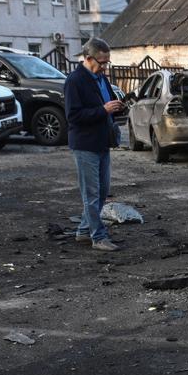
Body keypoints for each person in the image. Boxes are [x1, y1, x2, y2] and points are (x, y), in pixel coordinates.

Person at [65, 38, 126, 251]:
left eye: (107, 62)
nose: (105, 67)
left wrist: (116, 107)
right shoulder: (75, 81)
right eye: (102, 62)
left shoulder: (101, 78)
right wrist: (103, 110)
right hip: (85, 144)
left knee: (102, 191)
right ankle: (98, 237)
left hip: (102, 142)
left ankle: (84, 230)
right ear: (88, 58)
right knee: (91, 194)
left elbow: (105, 106)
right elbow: (73, 116)